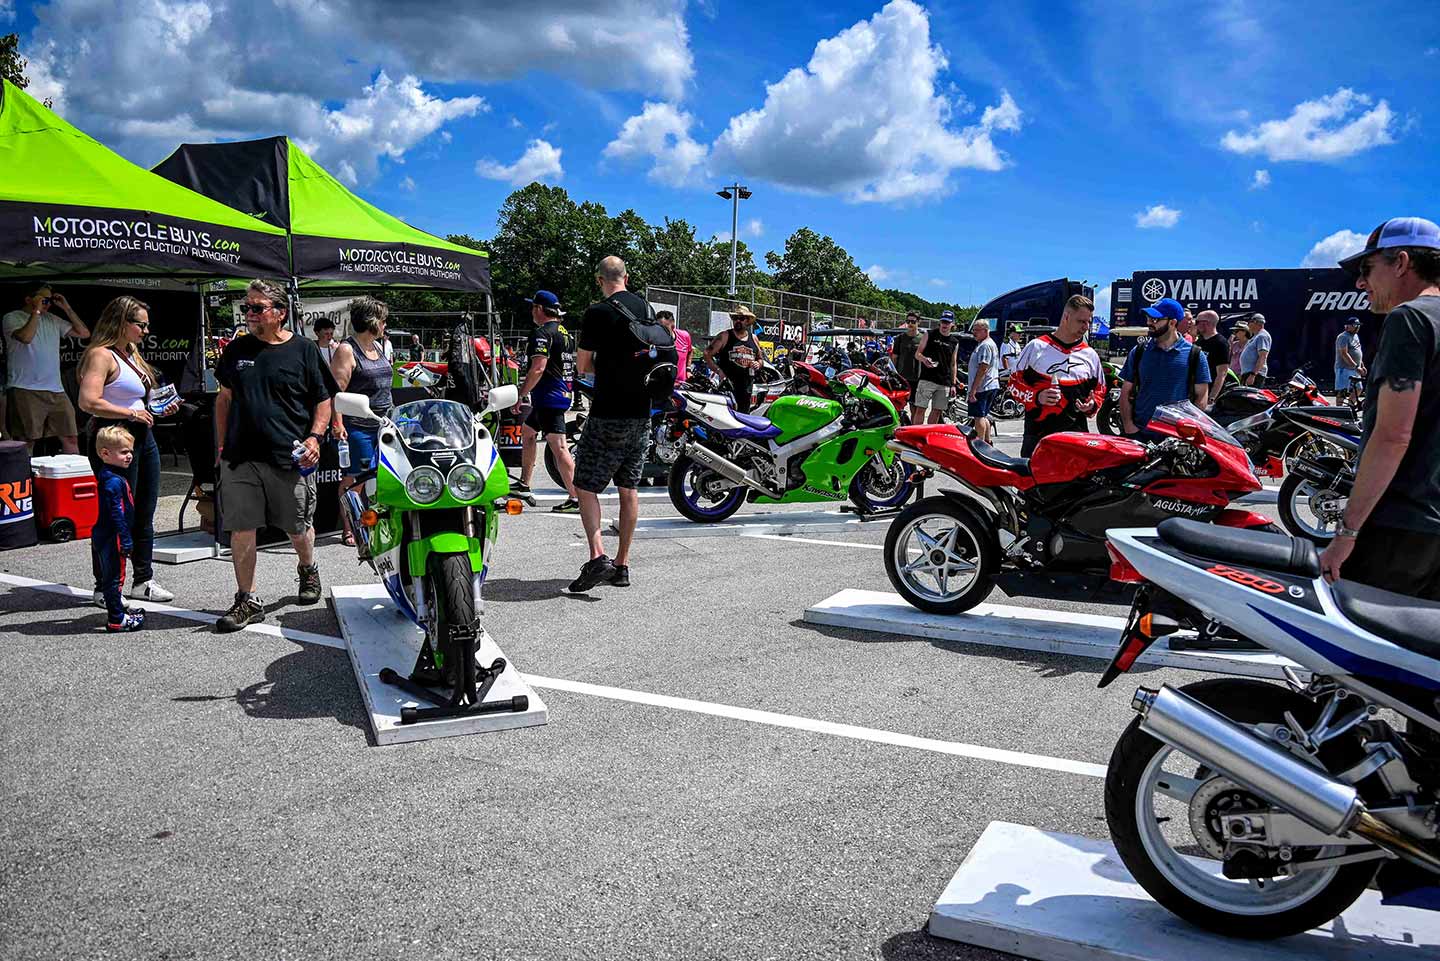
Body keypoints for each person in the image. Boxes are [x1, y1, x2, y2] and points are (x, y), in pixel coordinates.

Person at [1320, 216, 1440, 598]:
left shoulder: (1411, 319)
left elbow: (1393, 436)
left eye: (1366, 269)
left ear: (1401, 263)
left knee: (1354, 647)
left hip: (1402, 526)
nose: (1360, 283)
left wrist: (1347, 531)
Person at [213, 279, 337, 632]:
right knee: (241, 528)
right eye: (247, 307)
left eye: (257, 308)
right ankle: (247, 599)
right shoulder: (236, 351)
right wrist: (222, 447)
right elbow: (224, 399)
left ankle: (307, 568)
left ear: (280, 313)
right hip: (240, 457)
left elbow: (322, 399)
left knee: (297, 527)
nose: (249, 314)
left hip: (289, 456)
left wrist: (315, 437)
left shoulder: (303, 350)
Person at [77, 295, 178, 605]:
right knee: (115, 512)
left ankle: (143, 579)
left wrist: (158, 408)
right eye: (140, 325)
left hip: (141, 435)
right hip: (114, 436)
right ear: (121, 322)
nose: (145, 331)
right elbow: (88, 401)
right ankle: (104, 585)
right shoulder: (101, 355)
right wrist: (131, 413)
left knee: (145, 510)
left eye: (147, 325)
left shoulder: (131, 353)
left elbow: (138, 400)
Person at [568, 256, 653, 593]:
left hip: (608, 411)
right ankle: (622, 565)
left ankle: (596, 556)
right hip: (642, 412)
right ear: (626, 277)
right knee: (628, 488)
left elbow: (584, 365)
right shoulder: (644, 306)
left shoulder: (597, 313)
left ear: (599, 279)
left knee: (585, 484)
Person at [329, 296, 394, 547]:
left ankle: (376, 523)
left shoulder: (378, 347)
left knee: (385, 477)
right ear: (372, 322)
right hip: (358, 427)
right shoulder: (347, 350)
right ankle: (350, 529)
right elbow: (336, 392)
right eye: (383, 320)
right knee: (354, 479)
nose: (385, 325)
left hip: (384, 424)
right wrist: (338, 424)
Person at [1008, 295, 1105, 456]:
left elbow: (1100, 390)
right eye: (1081, 321)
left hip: (1077, 437)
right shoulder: (1036, 347)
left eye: (1089, 322)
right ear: (1066, 317)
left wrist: (1092, 404)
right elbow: (1013, 384)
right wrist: (1037, 396)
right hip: (1038, 437)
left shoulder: (1090, 355)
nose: (1086, 327)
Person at [512, 290, 579, 512]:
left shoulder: (542, 333)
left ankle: (577, 498)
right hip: (556, 394)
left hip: (550, 397)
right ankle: (524, 483)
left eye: (533, 307)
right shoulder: (565, 333)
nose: (531, 311)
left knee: (559, 447)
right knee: (528, 431)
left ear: (539, 309)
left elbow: (538, 367)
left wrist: (521, 394)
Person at [4, 284, 89, 453]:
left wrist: (66, 308)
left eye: (49, 300)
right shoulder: (12, 317)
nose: (47, 304)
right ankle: (26, 479)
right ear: (29, 299)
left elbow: (84, 333)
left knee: (71, 437)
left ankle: (71, 477)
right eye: (44, 299)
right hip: (25, 388)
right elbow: (26, 338)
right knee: (27, 441)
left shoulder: (53, 319)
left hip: (55, 390)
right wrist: (36, 311)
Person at [1118, 297, 1212, 442]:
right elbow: (1126, 392)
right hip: (1139, 435)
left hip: (1176, 440)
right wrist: (1129, 427)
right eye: (1148, 318)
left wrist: (1187, 434)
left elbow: (1201, 398)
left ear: (1172, 322)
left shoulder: (1195, 355)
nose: (1149, 323)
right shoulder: (1139, 352)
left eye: (1155, 319)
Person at [92, 425, 146, 633]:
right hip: (112, 535)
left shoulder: (111, 476)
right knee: (115, 578)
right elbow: (117, 513)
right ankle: (116, 619)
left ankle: (118, 612)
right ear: (105, 453)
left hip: (107, 534)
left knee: (113, 576)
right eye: (124, 452)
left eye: (130, 451)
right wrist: (125, 539)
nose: (129, 456)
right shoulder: (113, 481)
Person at [704, 305, 764, 412]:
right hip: (728, 387)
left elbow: (760, 358)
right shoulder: (725, 336)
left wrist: (758, 364)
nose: (738, 321)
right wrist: (719, 371)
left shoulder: (754, 338)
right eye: (735, 318)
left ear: (747, 321)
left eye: (741, 318)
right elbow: (707, 354)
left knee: (743, 416)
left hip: (746, 387)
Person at [913, 311, 959, 425]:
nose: (944, 325)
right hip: (927, 378)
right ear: (940, 322)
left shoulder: (954, 342)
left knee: (937, 411)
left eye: (947, 322)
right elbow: (917, 354)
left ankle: (929, 435)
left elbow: (953, 364)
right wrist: (924, 359)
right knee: (920, 409)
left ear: (952, 324)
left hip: (944, 382)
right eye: (943, 321)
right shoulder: (929, 334)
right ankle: (915, 437)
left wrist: (953, 384)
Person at [967, 319, 1001, 443]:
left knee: (978, 417)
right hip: (990, 385)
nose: (974, 333)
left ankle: (980, 444)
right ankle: (987, 441)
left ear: (986, 331)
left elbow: (983, 368)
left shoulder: (985, 345)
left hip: (983, 386)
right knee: (984, 415)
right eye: (973, 330)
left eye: (976, 330)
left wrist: (973, 390)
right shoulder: (988, 344)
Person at [1194, 310, 1231, 409]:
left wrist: (1212, 398)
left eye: (1197, 322)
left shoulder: (1221, 343)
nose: (1195, 325)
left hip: (1209, 393)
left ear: (1205, 323)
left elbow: (1222, 373)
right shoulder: (1199, 342)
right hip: (1196, 390)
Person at [1334, 316, 1366, 406]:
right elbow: (1344, 354)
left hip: (1355, 368)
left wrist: (1362, 365)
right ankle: (1339, 412)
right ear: (1348, 326)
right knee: (1342, 391)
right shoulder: (1343, 337)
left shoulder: (1356, 336)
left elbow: (1358, 351)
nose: (1357, 327)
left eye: (1358, 325)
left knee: (1359, 389)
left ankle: (1350, 407)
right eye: (1355, 325)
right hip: (1344, 368)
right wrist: (1356, 367)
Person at [890, 312, 922, 393]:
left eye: (913, 322)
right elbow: (894, 357)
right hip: (901, 377)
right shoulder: (900, 338)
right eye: (908, 321)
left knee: (914, 404)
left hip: (917, 378)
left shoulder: (923, 338)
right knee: (899, 403)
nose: (910, 324)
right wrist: (893, 375)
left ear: (918, 322)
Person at [659, 310, 692, 384]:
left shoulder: (684, 336)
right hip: (663, 385)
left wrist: (688, 369)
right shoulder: (655, 340)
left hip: (681, 384)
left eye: (664, 327)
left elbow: (690, 351)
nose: (660, 330)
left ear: (672, 325)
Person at [1239, 313, 1271, 385]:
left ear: (1255, 322)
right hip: (1248, 374)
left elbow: (1262, 356)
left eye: (1249, 322)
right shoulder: (1255, 336)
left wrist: (1253, 375)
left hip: (1255, 375)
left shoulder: (1262, 336)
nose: (1247, 324)